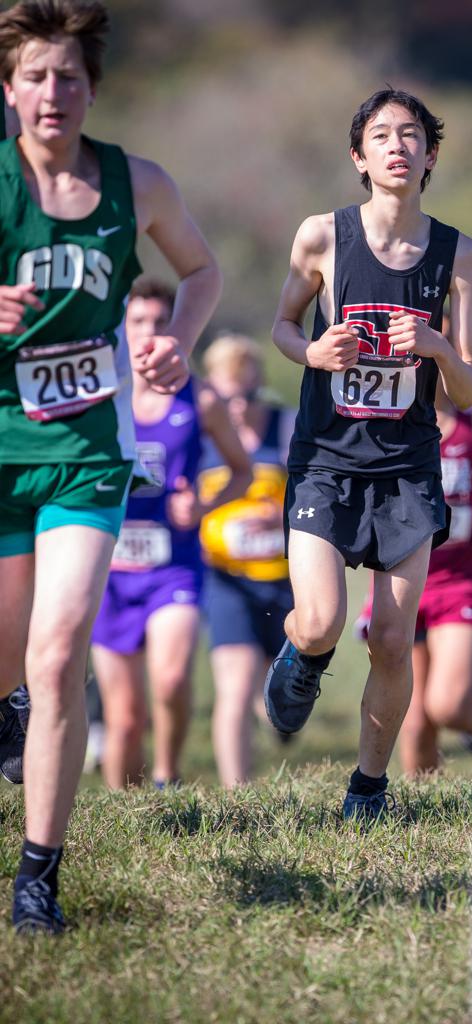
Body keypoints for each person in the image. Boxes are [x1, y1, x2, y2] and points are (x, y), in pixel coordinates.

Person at [0, 0, 221, 933]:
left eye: (71, 76)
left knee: (57, 658)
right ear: (9, 88)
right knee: (13, 664)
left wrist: (173, 341)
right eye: (37, 76)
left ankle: (37, 876)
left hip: (89, 450)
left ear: (93, 88)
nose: (56, 92)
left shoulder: (140, 184)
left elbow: (202, 272)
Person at [265, 87, 472, 820]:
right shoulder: (322, 236)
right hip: (326, 458)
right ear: (359, 156)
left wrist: (437, 347)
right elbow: (284, 327)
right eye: (382, 135)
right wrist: (314, 351)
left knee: (392, 639)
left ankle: (368, 788)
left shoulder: (459, 255)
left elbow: (470, 389)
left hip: (407, 467)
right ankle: (301, 657)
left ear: (430, 156)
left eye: (413, 135)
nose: (399, 145)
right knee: (321, 620)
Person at [90, 281, 250, 790]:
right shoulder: (99, 393)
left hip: (172, 567)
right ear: (121, 328)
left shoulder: (199, 398)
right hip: (107, 572)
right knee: (123, 718)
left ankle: (167, 775)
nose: (147, 334)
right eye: (136, 322)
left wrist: (203, 503)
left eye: (160, 323)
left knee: (172, 678)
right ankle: (126, 812)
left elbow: (241, 473)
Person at [356, 374, 472, 774]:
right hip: (401, 580)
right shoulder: (387, 414)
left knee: (450, 704)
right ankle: (425, 817)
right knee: (415, 721)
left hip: (459, 581)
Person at [198, 333, 296, 786]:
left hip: (287, 582)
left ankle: (275, 708)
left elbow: (321, 493)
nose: (237, 409)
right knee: (233, 690)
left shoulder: (288, 427)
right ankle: (237, 793)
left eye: (248, 396)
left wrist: (278, 514)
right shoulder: (200, 438)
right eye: (225, 398)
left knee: (283, 696)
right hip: (228, 581)